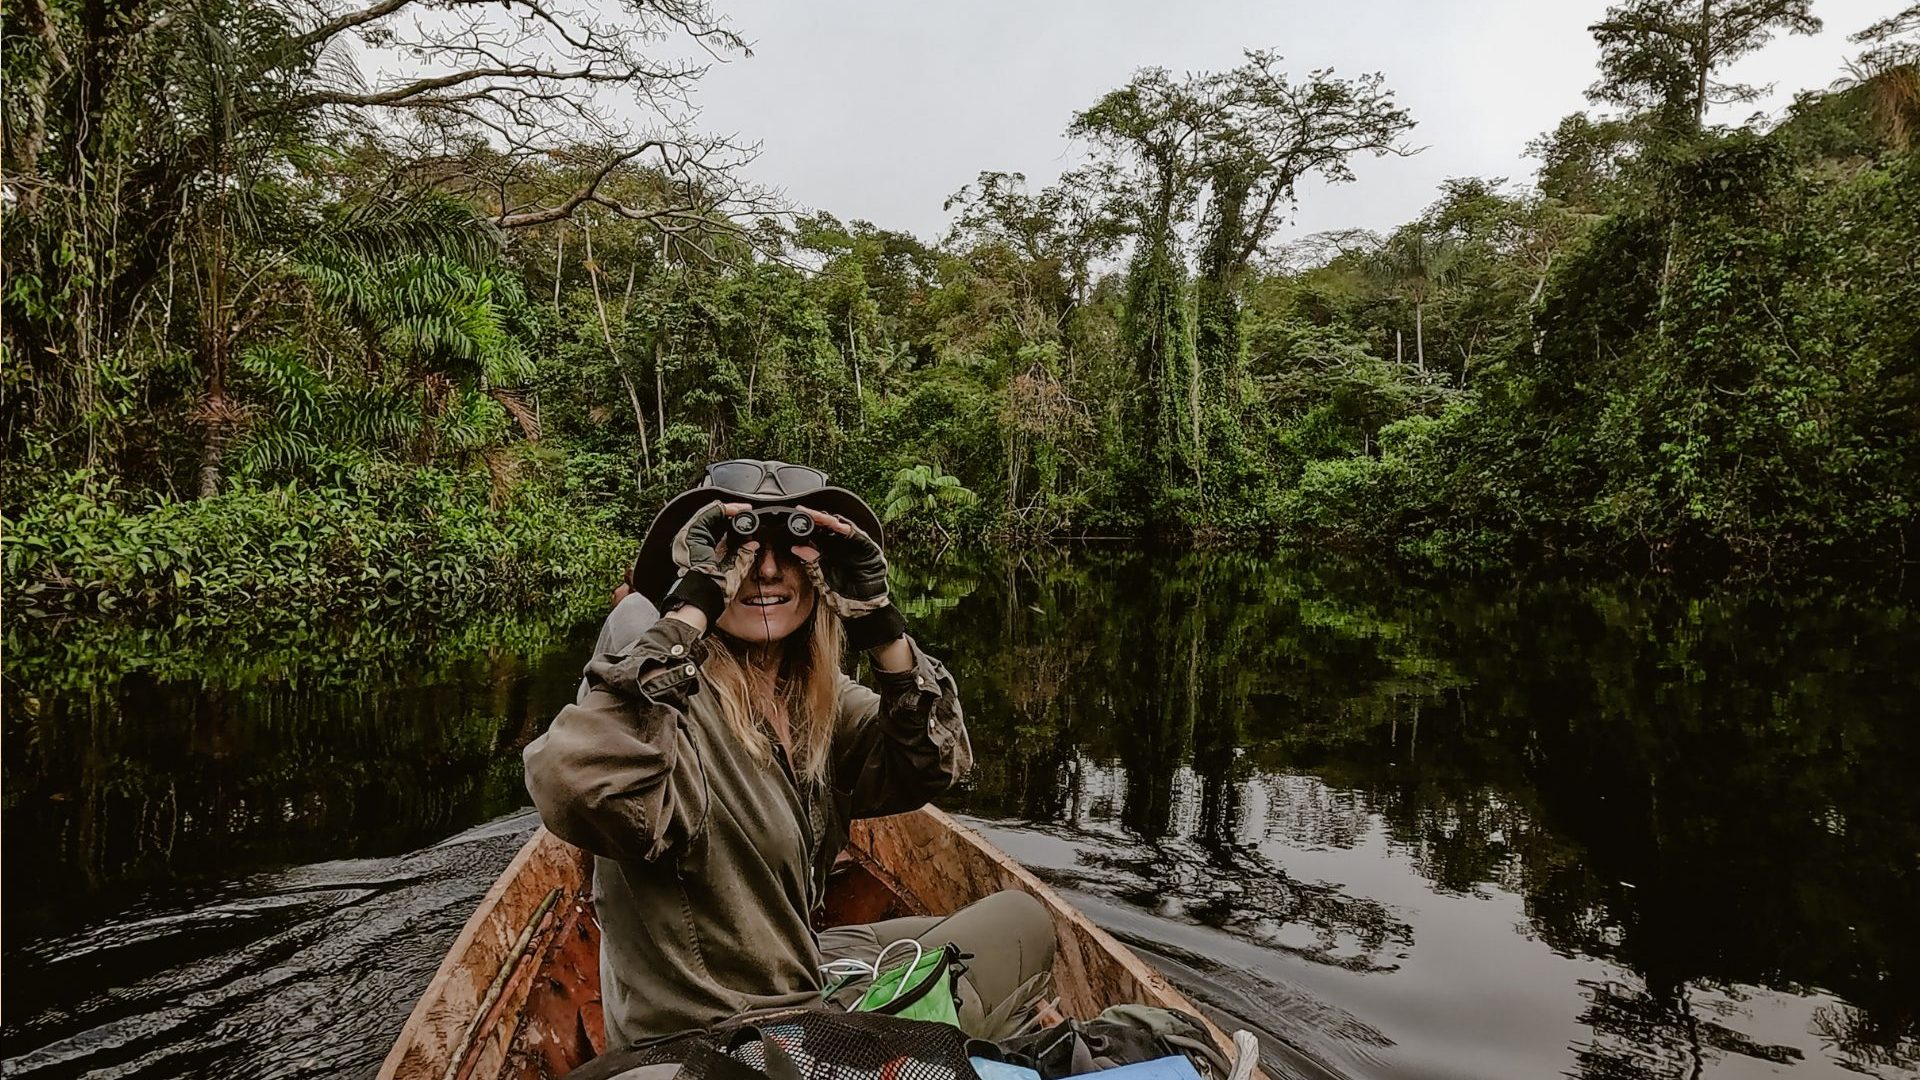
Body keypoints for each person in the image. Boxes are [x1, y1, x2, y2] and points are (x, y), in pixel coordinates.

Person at [524, 460, 1055, 1048]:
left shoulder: (812, 701)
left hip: (794, 971)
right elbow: (576, 786)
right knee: (1008, 955)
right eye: (739, 550)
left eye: (794, 549)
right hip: (719, 1037)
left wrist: (881, 625)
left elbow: (936, 764)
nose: (768, 569)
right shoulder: (664, 706)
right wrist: (690, 606)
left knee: (1019, 920)